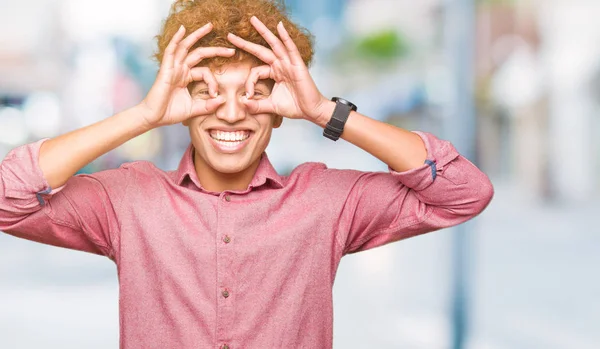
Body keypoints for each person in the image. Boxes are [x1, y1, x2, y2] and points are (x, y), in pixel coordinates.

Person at [0, 0, 494, 348]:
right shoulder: (126, 200)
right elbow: (9, 196)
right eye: (207, 93)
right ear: (181, 107)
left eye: (254, 94)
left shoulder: (325, 200)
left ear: (281, 109)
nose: (232, 113)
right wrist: (143, 115)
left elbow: (463, 193)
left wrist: (324, 110)